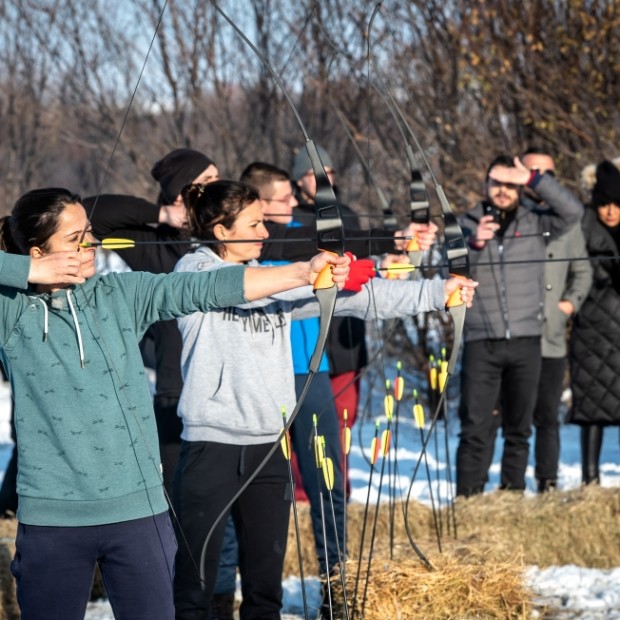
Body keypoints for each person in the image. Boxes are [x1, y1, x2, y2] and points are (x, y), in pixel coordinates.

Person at [0, 186, 349, 620]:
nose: (90, 244)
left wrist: (302, 272)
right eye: (74, 240)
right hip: (54, 519)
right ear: (36, 252)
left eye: (89, 233)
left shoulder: (120, 296)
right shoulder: (11, 312)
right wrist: (26, 271)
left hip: (139, 514)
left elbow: (207, 287)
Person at [172, 180, 476, 620]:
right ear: (221, 232)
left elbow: (363, 299)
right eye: (254, 224)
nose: (264, 232)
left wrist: (437, 293)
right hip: (210, 447)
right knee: (195, 590)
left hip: (268, 449)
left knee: (265, 589)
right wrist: (309, 274)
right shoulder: (192, 273)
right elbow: (238, 286)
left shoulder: (275, 279)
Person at [456, 155, 582, 497]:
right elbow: (445, 274)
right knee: (475, 428)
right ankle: (468, 498)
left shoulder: (537, 220)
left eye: (510, 184)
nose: (502, 191)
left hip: (527, 340)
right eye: (496, 182)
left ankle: (510, 498)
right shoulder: (465, 224)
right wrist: (474, 243)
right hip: (482, 341)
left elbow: (573, 212)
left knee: (519, 429)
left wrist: (533, 178)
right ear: (484, 185)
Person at [521, 149, 592, 492]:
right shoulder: (514, 217)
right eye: (532, 171)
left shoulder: (568, 224)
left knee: (547, 416)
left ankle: (547, 481)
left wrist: (568, 305)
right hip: (513, 335)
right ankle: (508, 485)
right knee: (512, 417)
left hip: (549, 334)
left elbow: (583, 272)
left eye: (545, 173)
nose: (539, 179)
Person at [568, 159, 620, 484]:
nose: (611, 211)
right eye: (604, 204)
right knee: (591, 409)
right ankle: (590, 480)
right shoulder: (582, 226)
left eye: (617, 204)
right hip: (592, 330)